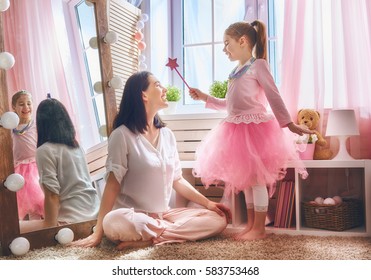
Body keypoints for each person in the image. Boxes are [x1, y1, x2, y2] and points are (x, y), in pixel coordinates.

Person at [72, 71, 230, 250]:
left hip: (164, 215)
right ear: (143, 94)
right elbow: (112, 184)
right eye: (157, 85)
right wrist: (98, 232)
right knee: (113, 221)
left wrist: (208, 203)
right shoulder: (121, 135)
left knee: (218, 219)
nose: (164, 89)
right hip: (133, 217)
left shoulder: (167, 135)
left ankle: (153, 238)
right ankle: (165, 233)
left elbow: (177, 180)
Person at [189, 20, 311, 241]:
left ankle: (260, 229)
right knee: (245, 182)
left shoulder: (258, 66)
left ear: (242, 41)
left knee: (255, 180)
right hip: (235, 129)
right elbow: (229, 103)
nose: (224, 49)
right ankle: (252, 224)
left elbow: (274, 96)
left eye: (227, 43)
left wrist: (288, 123)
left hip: (255, 130)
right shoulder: (235, 71)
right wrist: (205, 97)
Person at [19, 98, 99, 233]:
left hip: (72, 220)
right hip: (95, 214)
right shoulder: (76, 147)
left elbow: (52, 194)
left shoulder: (44, 150)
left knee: (14, 228)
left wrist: (49, 225)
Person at [11, 90, 44, 220]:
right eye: (21, 104)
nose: (26, 107)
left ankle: (49, 224)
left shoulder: (36, 125)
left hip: (36, 166)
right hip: (19, 170)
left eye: (28, 103)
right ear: (14, 107)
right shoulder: (10, 127)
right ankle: (34, 230)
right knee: (27, 205)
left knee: (41, 198)